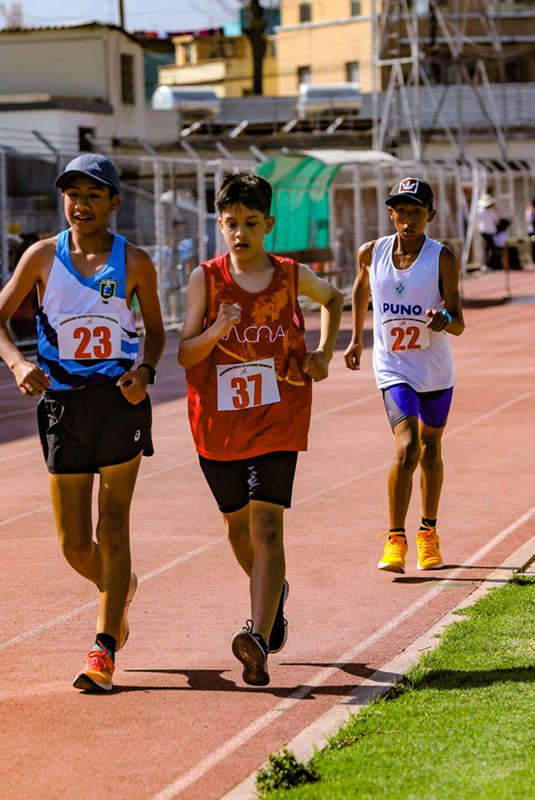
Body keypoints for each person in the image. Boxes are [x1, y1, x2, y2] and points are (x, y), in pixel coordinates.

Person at [0, 153, 165, 693]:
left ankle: (103, 648)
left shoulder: (134, 263)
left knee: (113, 526)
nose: (81, 204)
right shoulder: (42, 257)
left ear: (114, 201)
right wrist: (18, 364)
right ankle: (120, 585)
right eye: (72, 194)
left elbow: (155, 330)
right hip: (61, 407)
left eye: (93, 194)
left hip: (117, 403)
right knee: (74, 545)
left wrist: (145, 371)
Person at [178, 172, 343, 687]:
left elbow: (335, 299)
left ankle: (256, 637)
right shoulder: (205, 280)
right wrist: (217, 328)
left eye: (251, 223)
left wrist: (322, 354)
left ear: (269, 224)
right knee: (237, 530)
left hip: (279, 417)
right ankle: (274, 596)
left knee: (266, 527)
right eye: (231, 224)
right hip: (219, 426)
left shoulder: (291, 275)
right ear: (220, 225)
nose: (241, 233)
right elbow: (184, 354)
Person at [344, 177, 465, 575]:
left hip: (434, 369)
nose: (407, 219)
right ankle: (395, 539)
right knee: (407, 446)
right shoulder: (371, 252)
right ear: (390, 212)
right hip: (393, 367)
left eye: (416, 211)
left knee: (431, 448)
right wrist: (356, 339)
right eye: (401, 210)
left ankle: (428, 534)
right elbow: (361, 291)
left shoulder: (441, 257)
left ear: (430, 215)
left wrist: (442, 319)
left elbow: (459, 321)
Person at [476, 193, 499, 271]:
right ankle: (486, 265)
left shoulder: (490, 212)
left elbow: (495, 220)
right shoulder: (482, 211)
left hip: (490, 233)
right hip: (485, 232)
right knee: (489, 248)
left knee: (490, 248)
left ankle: (489, 265)